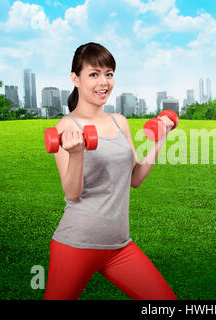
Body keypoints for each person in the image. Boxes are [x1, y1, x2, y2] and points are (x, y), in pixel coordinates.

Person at [44, 42, 177, 300]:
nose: (103, 82)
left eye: (109, 74)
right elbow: (72, 193)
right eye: (94, 74)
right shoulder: (65, 128)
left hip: (119, 247)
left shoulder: (119, 121)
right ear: (76, 79)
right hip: (76, 245)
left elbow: (135, 179)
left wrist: (161, 138)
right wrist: (76, 153)